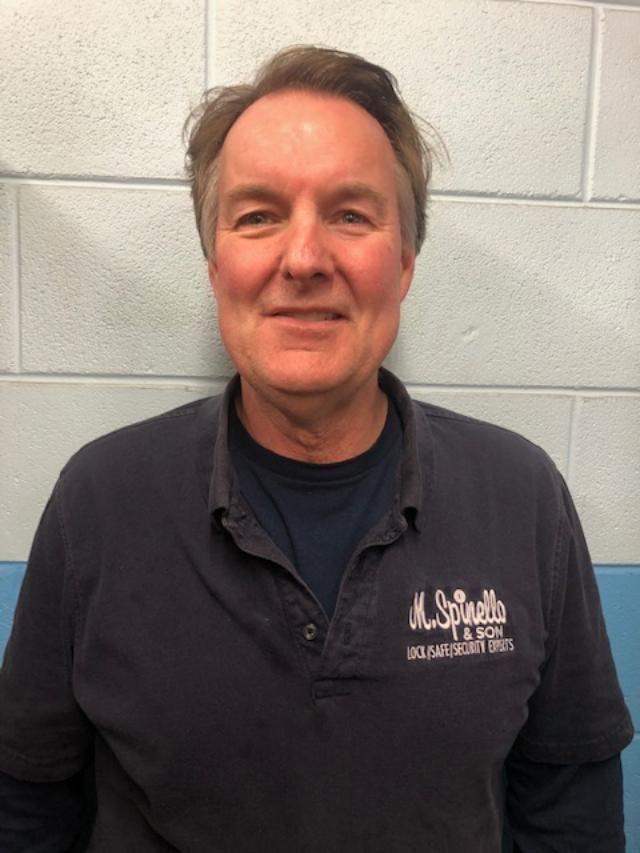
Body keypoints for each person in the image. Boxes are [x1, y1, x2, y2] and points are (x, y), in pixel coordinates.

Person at [0, 46, 633, 852]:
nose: (303, 260)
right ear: (215, 264)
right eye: (259, 215)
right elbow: (25, 810)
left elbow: (570, 810)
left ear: (403, 263)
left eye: (350, 214)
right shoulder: (98, 500)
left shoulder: (523, 496)